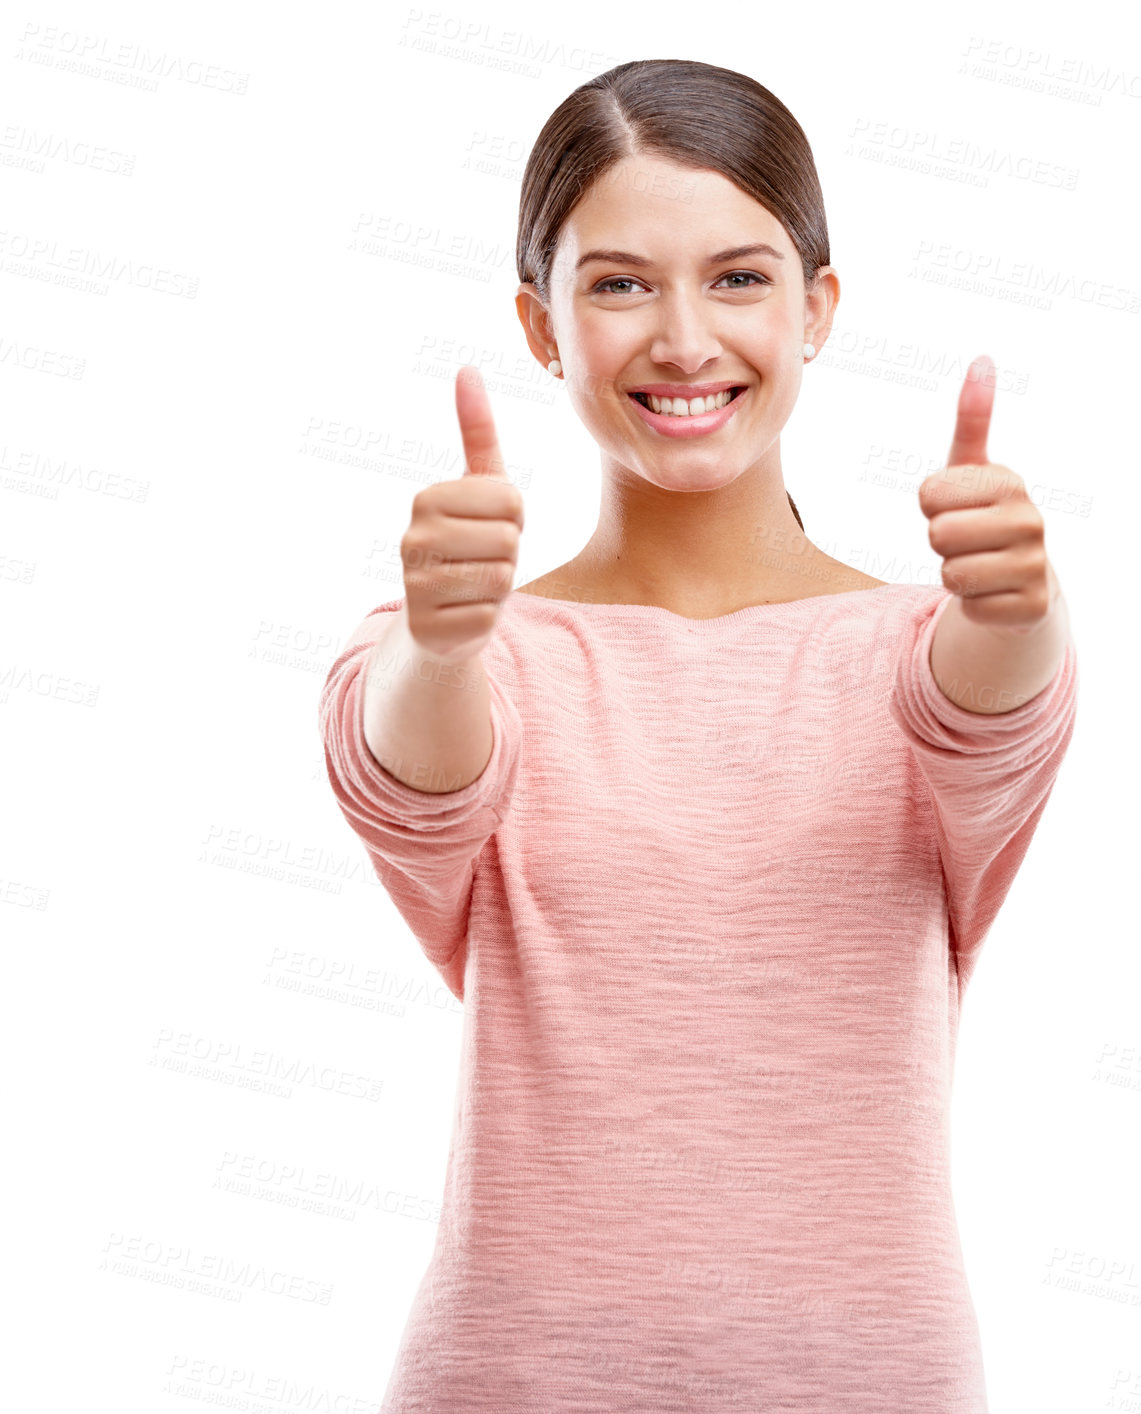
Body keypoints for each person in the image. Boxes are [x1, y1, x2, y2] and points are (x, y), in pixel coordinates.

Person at [319, 56, 1078, 1414]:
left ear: (816, 308)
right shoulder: (469, 653)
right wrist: (437, 641)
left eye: (737, 277)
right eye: (618, 283)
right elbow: (414, 770)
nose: (681, 339)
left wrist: (1019, 604)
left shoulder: (913, 641)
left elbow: (986, 701)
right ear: (539, 324)